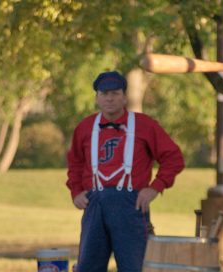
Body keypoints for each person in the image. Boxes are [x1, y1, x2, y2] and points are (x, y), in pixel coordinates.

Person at [66, 71, 185, 271]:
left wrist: (155, 187)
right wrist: (76, 191)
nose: (109, 98)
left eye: (115, 93)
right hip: (94, 204)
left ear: (124, 97)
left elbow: (173, 158)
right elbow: (75, 163)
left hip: (131, 204)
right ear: (97, 98)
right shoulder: (85, 127)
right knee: (87, 266)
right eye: (104, 94)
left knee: (134, 266)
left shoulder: (145, 125)